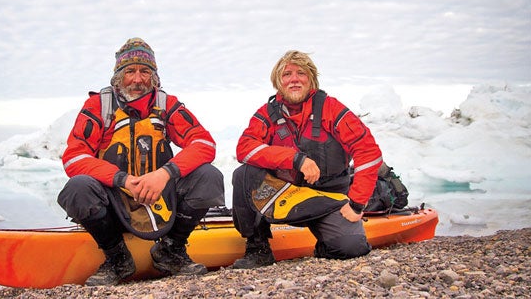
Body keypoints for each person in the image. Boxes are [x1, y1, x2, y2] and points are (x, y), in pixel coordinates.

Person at [57, 37, 224, 285]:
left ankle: (171, 249)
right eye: (130, 72)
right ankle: (117, 257)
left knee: (209, 177)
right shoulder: (98, 106)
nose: (137, 79)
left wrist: (164, 174)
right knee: (78, 188)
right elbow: (74, 157)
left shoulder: (167, 105)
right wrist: (121, 179)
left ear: (154, 77)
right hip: (115, 198)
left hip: (161, 197)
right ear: (117, 76)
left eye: (145, 71)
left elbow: (203, 143)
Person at [231, 50, 383, 268]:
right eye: (287, 74)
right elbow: (245, 149)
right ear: (278, 82)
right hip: (286, 196)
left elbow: (368, 152)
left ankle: (325, 244)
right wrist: (295, 159)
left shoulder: (332, 109)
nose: (294, 79)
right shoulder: (266, 114)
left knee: (351, 247)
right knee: (244, 173)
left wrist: (357, 204)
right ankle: (258, 247)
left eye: (301, 73)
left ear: (311, 79)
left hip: (327, 199)